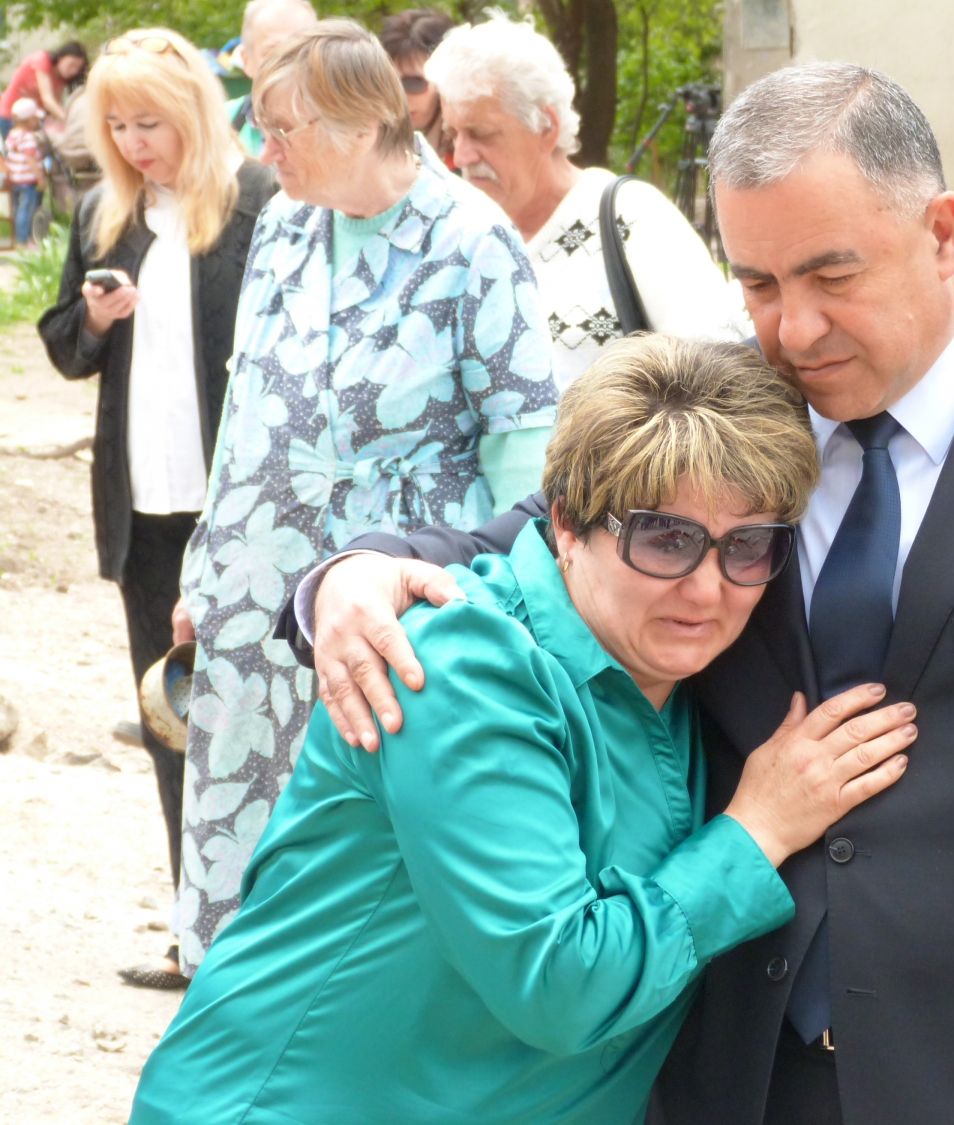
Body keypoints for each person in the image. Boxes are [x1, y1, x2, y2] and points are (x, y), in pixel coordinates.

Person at [292, 62, 954, 1124]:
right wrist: (354, 571)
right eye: (760, 284)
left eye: (833, 276)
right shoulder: (728, 410)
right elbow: (546, 533)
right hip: (732, 1075)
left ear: (944, 233)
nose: (796, 331)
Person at [131, 335, 915, 1123]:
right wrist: (758, 828)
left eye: (747, 546)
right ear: (566, 524)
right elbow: (561, 985)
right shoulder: (462, 667)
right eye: (664, 538)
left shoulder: (679, 669)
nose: (708, 589)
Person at [172, 19, 556, 976]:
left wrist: (521, 616)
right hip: (253, 600)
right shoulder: (284, 224)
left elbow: (523, 446)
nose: (267, 152)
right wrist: (200, 564)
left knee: (368, 866)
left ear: (356, 123)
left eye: (283, 130)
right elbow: (244, 404)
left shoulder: (473, 239)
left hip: (393, 609)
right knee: (244, 850)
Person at [36, 27, 277, 990]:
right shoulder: (107, 213)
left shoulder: (260, 203)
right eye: (119, 127)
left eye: (151, 123)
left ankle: (264, 933)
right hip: (144, 512)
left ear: (195, 115)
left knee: (259, 721)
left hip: (244, 513)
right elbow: (64, 345)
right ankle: (193, 932)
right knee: (171, 718)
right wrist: (94, 318)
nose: (136, 144)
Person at [423, 14, 748, 391]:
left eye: (481, 134)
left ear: (546, 126)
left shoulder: (630, 217)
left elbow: (723, 380)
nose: (462, 156)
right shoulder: (456, 236)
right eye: (453, 135)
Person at [223, 0, 318, 156]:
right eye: (273, 53)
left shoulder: (344, 126)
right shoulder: (219, 123)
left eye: (302, 49)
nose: (289, 63)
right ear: (247, 61)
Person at [379, 8, 454, 167]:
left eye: (413, 82)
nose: (399, 95)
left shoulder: (468, 158)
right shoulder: (372, 152)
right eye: (388, 82)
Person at [0, 40, 87, 138]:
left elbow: (55, 106)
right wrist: (70, 121)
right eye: (72, 64)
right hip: (11, 116)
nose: (74, 71)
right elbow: (48, 100)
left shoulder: (61, 78)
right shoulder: (42, 59)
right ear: (61, 57)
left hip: (33, 121)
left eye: (78, 68)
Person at [4, 97, 44, 247]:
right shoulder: (28, 137)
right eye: (35, 118)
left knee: (17, 209)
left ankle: (17, 236)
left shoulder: (12, 135)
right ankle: (24, 240)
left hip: (15, 179)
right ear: (30, 120)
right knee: (27, 210)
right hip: (27, 180)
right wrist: (40, 178)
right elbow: (30, 159)